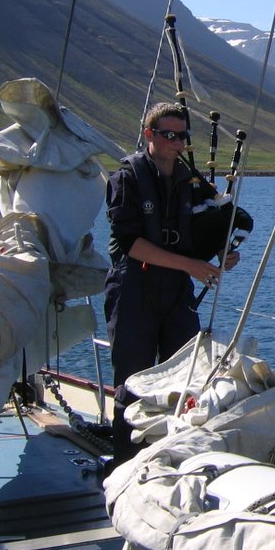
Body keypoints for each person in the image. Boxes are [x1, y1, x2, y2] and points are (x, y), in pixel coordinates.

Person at [103, 102, 239, 463]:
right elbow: (131, 244)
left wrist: (223, 254)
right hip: (134, 290)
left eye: (182, 136)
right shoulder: (127, 179)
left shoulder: (191, 183)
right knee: (133, 384)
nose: (176, 143)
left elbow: (202, 233)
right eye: (168, 135)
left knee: (185, 382)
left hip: (177, 292)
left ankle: (174, 463)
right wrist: (191, 266)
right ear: (149, 134)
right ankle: (125, 471)